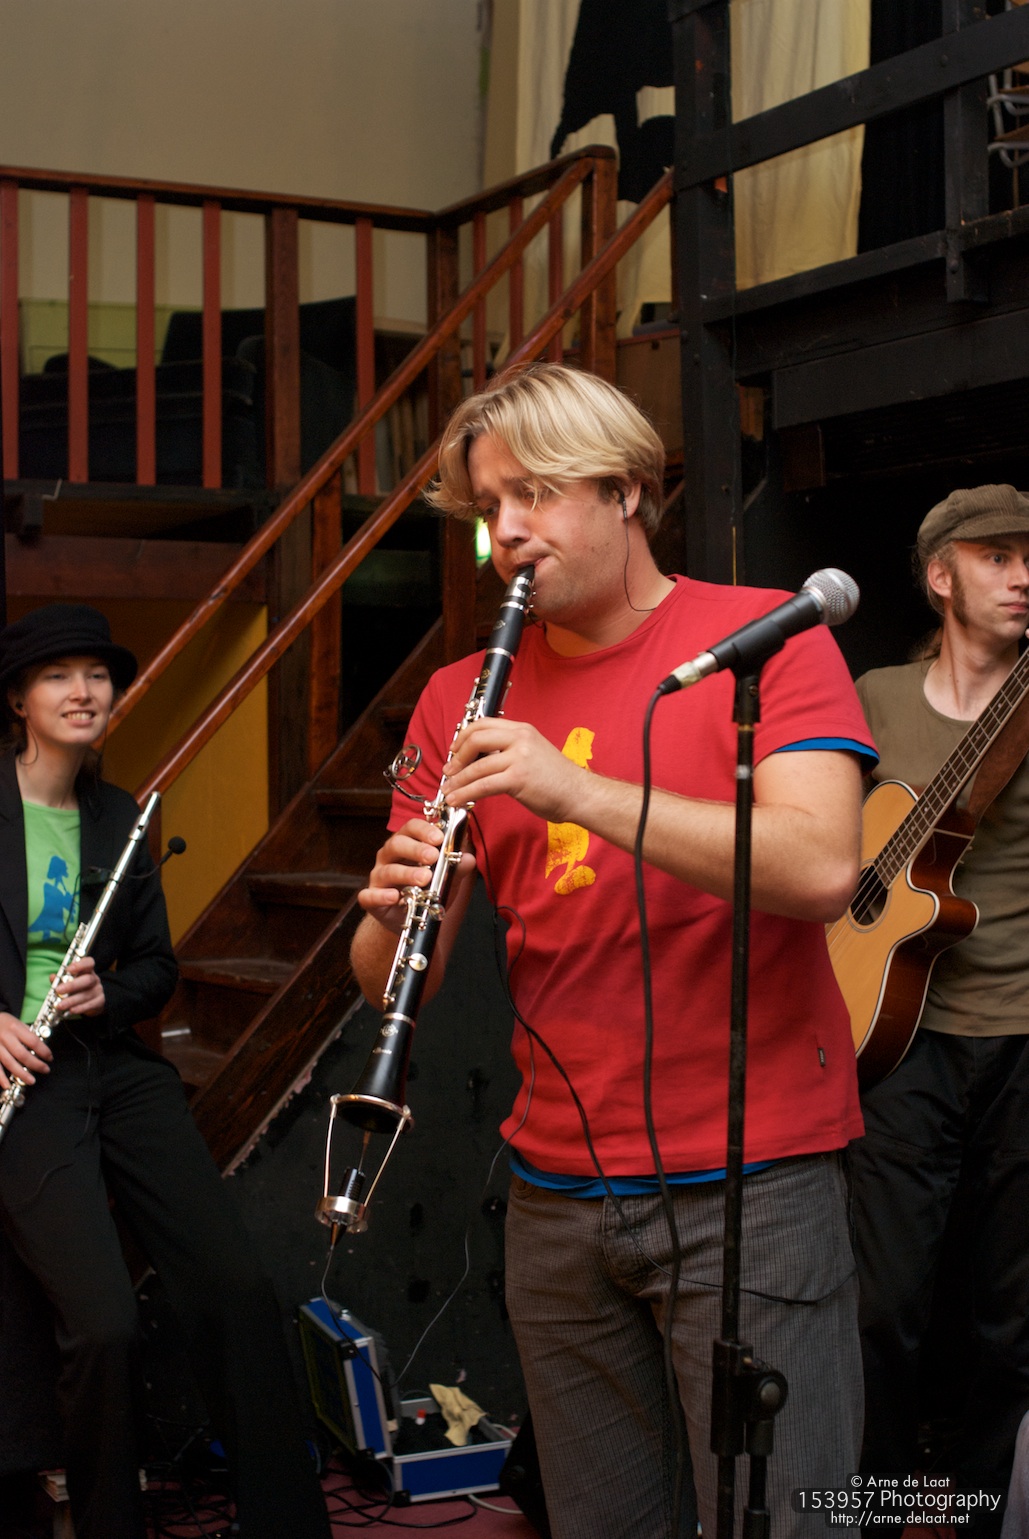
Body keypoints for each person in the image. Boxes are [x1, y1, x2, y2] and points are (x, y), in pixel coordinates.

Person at [350, 363, 876, 1539]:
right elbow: (392, 985)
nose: (506, 532)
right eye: (490, 507)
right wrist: (388, 912)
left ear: (628, 488)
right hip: (557, 1194)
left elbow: (819, 868)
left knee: (791, 1519)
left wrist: (576, 789)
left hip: (753, 1180)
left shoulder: (765, 636)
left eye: (535, 493)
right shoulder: (456, 697)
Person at [0, 604, 330, 1539]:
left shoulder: (121, 815)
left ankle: (287, 1525)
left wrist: (108, 991)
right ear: (19, 699)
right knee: (104, 1323)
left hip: (113, 1063)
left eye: (97, 675)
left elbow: (156, 967)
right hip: (26, 1082)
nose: (83, 691)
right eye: (58, 675)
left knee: (235, 1286)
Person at [849, 485, 1029, 1526]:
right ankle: (872, 1509)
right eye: (997, 556)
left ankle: (980, 1513)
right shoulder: (874, 696)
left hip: (1022, 1030)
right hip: (896, 1033)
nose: (1022, 575)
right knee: (881, 1305)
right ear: (940, 575)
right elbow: (829, 842)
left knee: (1014, 1315)